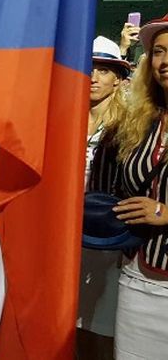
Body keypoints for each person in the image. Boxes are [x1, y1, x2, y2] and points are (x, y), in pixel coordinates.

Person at [111, 15, 168, 360]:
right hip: (137, 277)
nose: (165, 61)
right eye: (159, 51)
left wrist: (164, 211)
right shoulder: (142, 121)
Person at [76, 36, 131, 360]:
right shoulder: (65, 119)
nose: (93, 78)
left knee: (105, 327)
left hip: (108, 240)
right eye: (88, 69)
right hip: (69, 238)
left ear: (118, 79)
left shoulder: (130, 126)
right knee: (75, 323)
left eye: (103, 70)